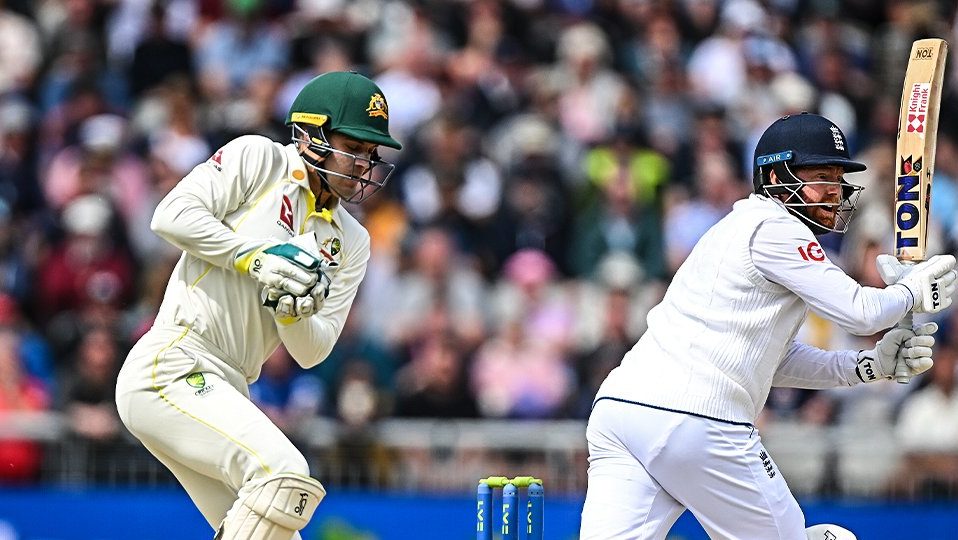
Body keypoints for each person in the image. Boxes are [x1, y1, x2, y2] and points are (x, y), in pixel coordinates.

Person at [579, 112, 957, 540]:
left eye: (838, 179)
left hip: (621, 411)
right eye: (821, 177)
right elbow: (861, 312)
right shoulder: (775, 226)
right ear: (776, 177)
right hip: (700, 418)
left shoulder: (736, 229)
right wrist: (911, 290)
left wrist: (867, 366)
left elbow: (775, 360)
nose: (834, 192)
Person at [115, 71, 402, 539]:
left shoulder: (352, 240)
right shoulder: (261, 159)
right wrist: (255, 258)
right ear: (312, 136)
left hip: (229, 386)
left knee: (279, 528)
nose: (363, 164)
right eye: (354, 147)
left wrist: (291, 308)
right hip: (174, 363)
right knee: (285, 473)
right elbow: (170, 216)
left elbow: (311, 351)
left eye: (370, 153)